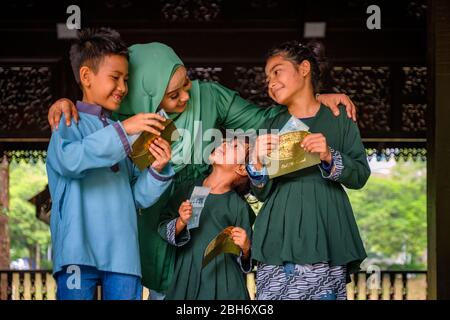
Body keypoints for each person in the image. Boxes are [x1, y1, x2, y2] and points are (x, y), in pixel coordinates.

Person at [47, 42, 358, 298]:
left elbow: (265, 120)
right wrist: (66, 101)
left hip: (209, 255)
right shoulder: (123, 113)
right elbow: (89, 117)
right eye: (173, 94)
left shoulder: (208, 96)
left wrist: (314, 98)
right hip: (149, 230)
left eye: (186, 83)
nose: (186, 95)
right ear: (147, 93)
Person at [46, 28, 174, 300]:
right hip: (77, 252)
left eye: (126, 79)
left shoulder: (120, 130)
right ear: (86, 76)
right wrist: (124, 131)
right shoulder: (67, 119)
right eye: (115, 78)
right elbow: (71, 161)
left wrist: (156, 170)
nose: (123, 88)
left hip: (123, 255)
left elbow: (134, 198)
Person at [247, 40, 370, 300]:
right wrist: (257, 163)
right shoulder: (269, 121)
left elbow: (360, 175)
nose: (270, 82)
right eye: (267, 77)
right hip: (279, 232)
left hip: (326, 228)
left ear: (304, 69)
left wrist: (328, 156)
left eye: (277, 71)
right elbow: (260, 193)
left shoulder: (339, 118)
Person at [158, 137, 253, 299]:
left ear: (242, 169)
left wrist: (245, 247)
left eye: (235, 146)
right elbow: (163, 227)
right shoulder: (191, 190)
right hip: (187, 277)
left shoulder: (238, 206)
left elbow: (247, 259)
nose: (224, 144)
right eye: (226, 141)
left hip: (225, 283)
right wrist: (181, 221)